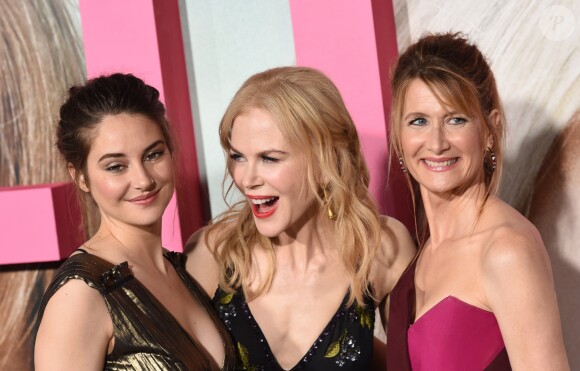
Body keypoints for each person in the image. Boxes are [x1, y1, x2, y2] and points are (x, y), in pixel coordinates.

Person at [185, 66, 416, 371]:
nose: (246, 178)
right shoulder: (213, 253)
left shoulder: (379, 248)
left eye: (269, 158)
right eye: (238, 156)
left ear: (327, 161)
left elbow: (413, 363)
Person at [385, 32, 569, 370]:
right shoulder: (424, 252)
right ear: (399, 134)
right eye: (419, 121)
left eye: (456, 119)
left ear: (488, 130)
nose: (437, 143)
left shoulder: (507, 250)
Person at [35, 73, 236, 370]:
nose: (143, 180)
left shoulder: (183, 270)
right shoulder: (79, 295)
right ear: (81, 176)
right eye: (116, 167)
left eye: (153, 154)